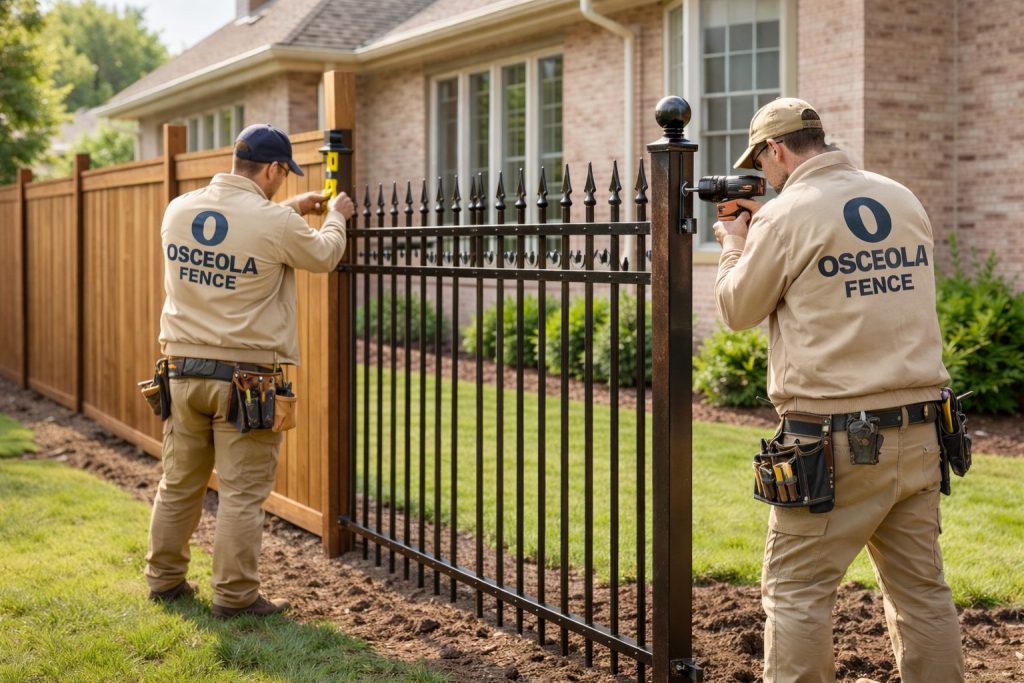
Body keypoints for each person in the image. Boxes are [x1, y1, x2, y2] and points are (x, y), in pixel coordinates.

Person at [713, 98, 964, 682]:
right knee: (922, 592)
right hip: (923, 430)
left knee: (797, 592)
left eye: (760, 162)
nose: (763, 175)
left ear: (775, 149)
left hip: (832, 443)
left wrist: (734, 241)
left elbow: (737, 309)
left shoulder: (784, 215)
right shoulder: (901, 197)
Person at [145, 123, 354, 618]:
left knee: (179, 483)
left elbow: (233, 234)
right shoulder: (273, 223)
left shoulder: (179, 209)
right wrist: (336, 217)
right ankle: (235, 597)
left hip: (181, 373)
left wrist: (289, 208)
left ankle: (164, 581)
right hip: (245, 383)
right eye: (284, 174)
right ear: (274, 169)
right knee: (241, 494)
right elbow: (323, 255)